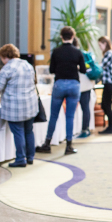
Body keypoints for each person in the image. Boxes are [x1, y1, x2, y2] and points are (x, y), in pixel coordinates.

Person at [0, 44, 39, 167]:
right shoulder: (27, 65)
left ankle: (20, 159)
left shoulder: (7, 68)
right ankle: (30, 157)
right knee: (29, 131)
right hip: (30, 104)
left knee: (18, 132)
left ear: (4, 56)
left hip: (15, 107)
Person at [36, 26, 86, 155]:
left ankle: (47, 144)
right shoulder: (77, 52)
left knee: (53, 115)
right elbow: (83, 70)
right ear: (73, 37)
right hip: (74, 85)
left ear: (61, 37)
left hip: (59, 84)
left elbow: (52, 70)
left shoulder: (56, 51)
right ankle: (69, 146)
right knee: (70, 116)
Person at [72, 37, 95, 139]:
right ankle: (85, 129)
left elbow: (82, 69)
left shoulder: (76, 54)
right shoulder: (84, 53)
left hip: (82, 85)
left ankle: (84, 129)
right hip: (87, 84)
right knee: (86, 108)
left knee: (84, 108)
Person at [98, 36, 112, 134]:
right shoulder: (109, 53)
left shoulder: (109, 53)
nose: (99, 47)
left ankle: (111, 127)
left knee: (106, 105)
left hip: (109, 83)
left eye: (100, 45)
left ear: (105, 43)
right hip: (108, 83)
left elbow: (101, 67)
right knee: (104, 104)